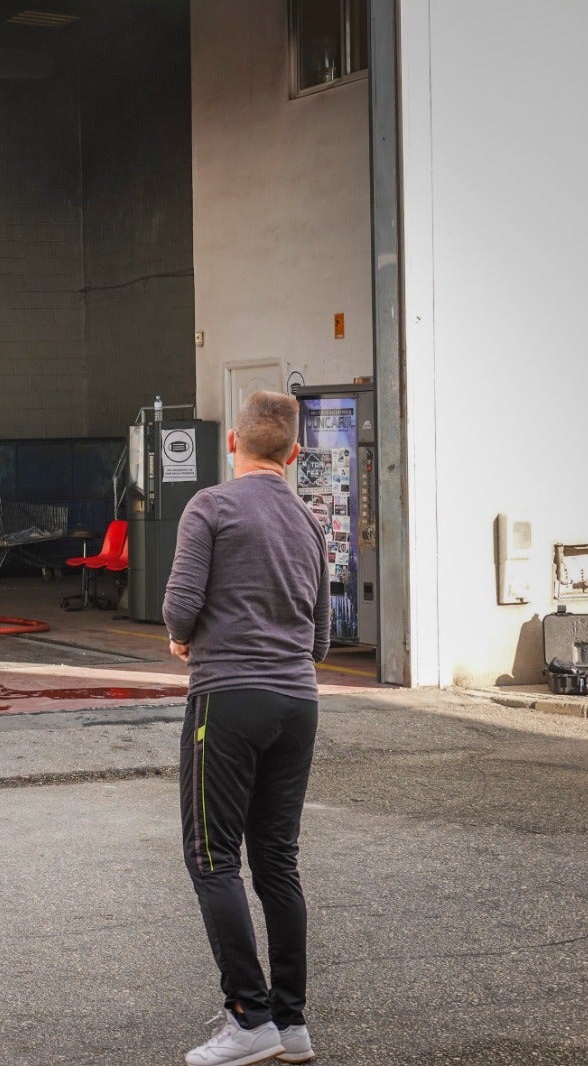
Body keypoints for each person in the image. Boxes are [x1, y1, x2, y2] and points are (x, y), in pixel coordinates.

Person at [163, 389, 330, 1066]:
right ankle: (289, 1024)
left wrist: (186, 639)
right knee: (277, 862)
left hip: (228, 699)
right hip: (298, 703)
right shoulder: (311, 523)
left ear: (233, 444)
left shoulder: (211, 505)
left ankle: (247, 1015)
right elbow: (320, 638)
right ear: (293, 454)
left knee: (211, 858)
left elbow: (178, 607)